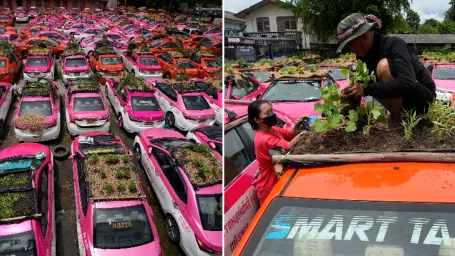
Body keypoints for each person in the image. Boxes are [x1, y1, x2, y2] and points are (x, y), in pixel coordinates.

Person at [337, 13, 436, 129]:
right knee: (362, 82)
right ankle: (399, 117)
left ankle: (396, 120)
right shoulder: (362, 57)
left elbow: (407, 83)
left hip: (423, 99)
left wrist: (366, 89)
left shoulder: (394, 44)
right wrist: (347, 110)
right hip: (405, 103)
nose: (350, 50)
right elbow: (359, 89)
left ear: (363, 37)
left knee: (383, 67)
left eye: (350, 45)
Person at [248, 100, 305, 205]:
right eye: (266, 113)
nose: (271, 114)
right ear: (257, 120)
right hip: (270, 188)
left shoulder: (272, 129)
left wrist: (300, 123)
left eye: (270, 111)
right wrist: (305, 132)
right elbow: (287, 147)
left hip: (279, 183)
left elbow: (290, 135)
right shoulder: (264, 139)